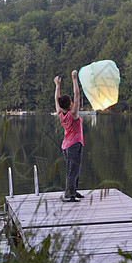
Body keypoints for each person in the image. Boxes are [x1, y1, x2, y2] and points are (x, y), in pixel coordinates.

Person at [54, 70, 84, 202]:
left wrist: (58, 85)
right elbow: (77, 94)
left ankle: (73, 191)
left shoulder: (60, 114)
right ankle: (69, 195)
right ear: (70, 103)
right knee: (72, 170)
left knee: (74, 168)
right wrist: (74, 78)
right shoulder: (73, 114)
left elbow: (57, 99)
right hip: (74, 145)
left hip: (66, 145)